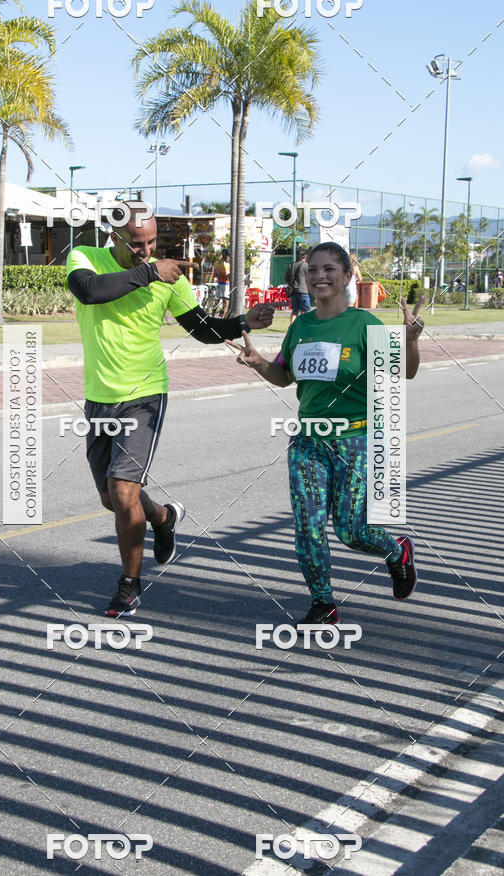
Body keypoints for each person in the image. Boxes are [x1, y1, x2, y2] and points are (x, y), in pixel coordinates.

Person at [66, 206, 274, 617]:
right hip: (98, 396)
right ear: (114, 236)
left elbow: (200, 328)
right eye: (136, 244)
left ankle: (129, 585)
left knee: (124, 490)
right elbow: (89, 291)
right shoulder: (86, 257)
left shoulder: (169, 277)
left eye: (151, 244)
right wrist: (149, 272)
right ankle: (163, 518)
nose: (145, 251)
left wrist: (242, 322)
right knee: (112, 498)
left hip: (145, 394)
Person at [228, 241, 424, 625]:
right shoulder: (300, 326)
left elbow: (404, 373)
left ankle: (397, 551)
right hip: (308, 441)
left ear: (347, 276)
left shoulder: (364, 325)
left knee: (352, 530)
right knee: (308, 525)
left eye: (330, 269)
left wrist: (411, 341)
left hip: (355, 440)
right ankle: (323, 602)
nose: (320, 276)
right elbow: (284, 376)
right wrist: (258, 364)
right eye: (313, 269)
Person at [285, 246, 311, 323]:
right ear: (305, 255)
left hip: (294, 292)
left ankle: (292, 327)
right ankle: (304, 327)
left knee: (294, 311)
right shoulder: (306, 266)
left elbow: (286, 278)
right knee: (305, 312)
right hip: (304, 291)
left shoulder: (291, 265)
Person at [213, 249, 231, 317]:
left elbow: (215, 275)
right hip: (225, 284)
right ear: (226, 256)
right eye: (229, 256)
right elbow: (215, 275)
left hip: (220, 284)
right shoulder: (229, 265)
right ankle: (221, 317)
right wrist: (225, 276)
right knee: (225, 302)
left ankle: (213, 316)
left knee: (218, 301)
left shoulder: (217, 264)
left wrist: (221, 276)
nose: (229, 258)